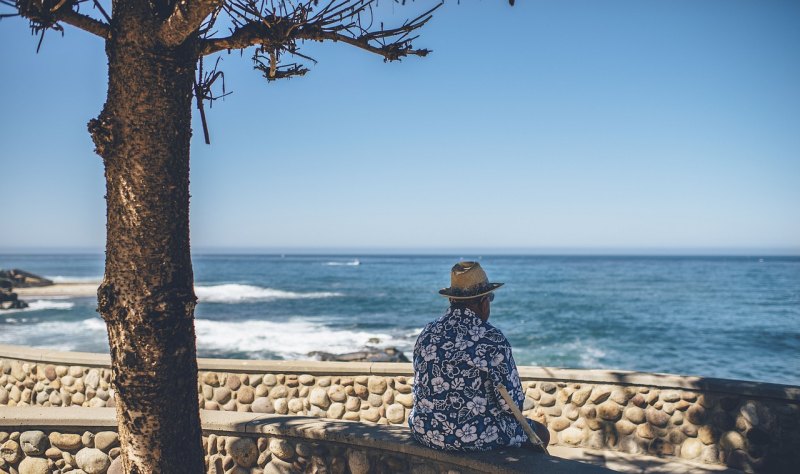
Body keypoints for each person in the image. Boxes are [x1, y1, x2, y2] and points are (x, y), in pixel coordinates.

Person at [408, 261, 550, 451]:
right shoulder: (491, 338)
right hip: (473, 438)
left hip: (426, 431)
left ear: (452, 299)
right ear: (483, 302)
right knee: (541, 433)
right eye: (490, 298)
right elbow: (512, 405)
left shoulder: (428, 332)